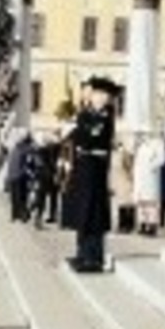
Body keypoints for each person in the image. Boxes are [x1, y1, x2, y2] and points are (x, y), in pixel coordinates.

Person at [64, 77, 119, 272]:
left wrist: (80, 134)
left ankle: (93, 256)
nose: (98, 98)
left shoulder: (105, 117)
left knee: (94, 213)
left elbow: (89, 138)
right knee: (82, 212)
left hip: (95, 168)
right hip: (84, 167)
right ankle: (81, 253)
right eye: (96, 94)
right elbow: (78, 137)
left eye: (101, 95)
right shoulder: (86, 114)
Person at [131, 131, 164, 237]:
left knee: (151, 204)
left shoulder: (157, 144)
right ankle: (143, 223)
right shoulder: (140, 146)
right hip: (140, 179)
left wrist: (151, 167)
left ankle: (152, 225)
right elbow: (136, 161)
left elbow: (162, 159)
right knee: (141, 204)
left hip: (150, 178)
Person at [29, 130, 61, 228]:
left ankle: (38, 217)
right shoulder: (55, 149)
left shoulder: (39, 150)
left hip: (43, 176)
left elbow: (35, 163)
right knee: (51, 197)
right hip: (50, 176)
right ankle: (48, 216)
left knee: (42, 197)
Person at [4, 130, 36, 223]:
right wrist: (31, 175)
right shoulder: (27, 149)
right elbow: (29, 163)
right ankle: (23, 216)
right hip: (20, 176)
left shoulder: (15, 148)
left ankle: (14, 215)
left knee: (14, 197)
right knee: (22, 197)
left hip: (12, 175)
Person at [110, 134, 136, 234]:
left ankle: (128, 225)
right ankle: (122, 225)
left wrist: (131, 178)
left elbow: (128, 166)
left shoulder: (123, 153)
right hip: (117, 181)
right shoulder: (113, 154)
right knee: (121, 204)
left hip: (125, 180)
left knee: (127, 203)